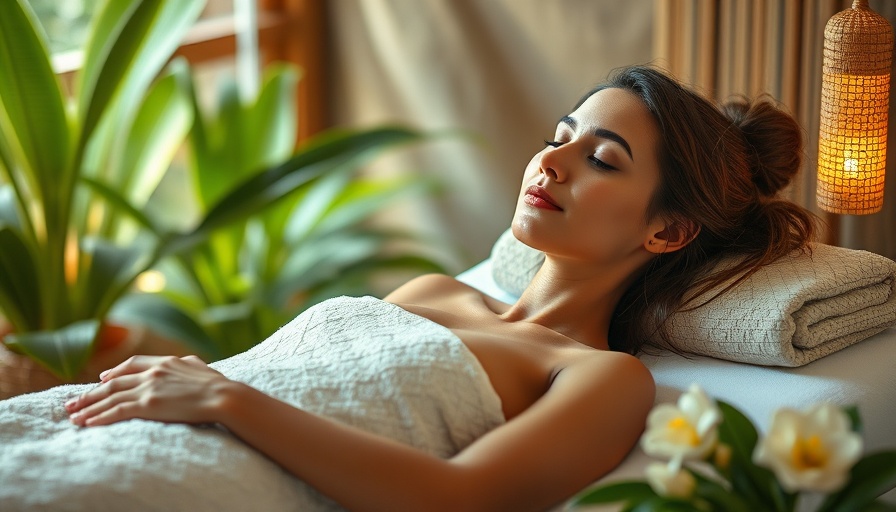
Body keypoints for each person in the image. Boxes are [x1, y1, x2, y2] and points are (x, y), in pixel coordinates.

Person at [62, 65, 816, 511]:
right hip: (106, 427)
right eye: (559, 138)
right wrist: (211, 387)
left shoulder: (601, 376)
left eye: (603, 160)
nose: (550, 164)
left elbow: (454, 501)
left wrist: (225, 398)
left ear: (669, 232)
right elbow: (290, 378)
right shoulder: (432, 291)